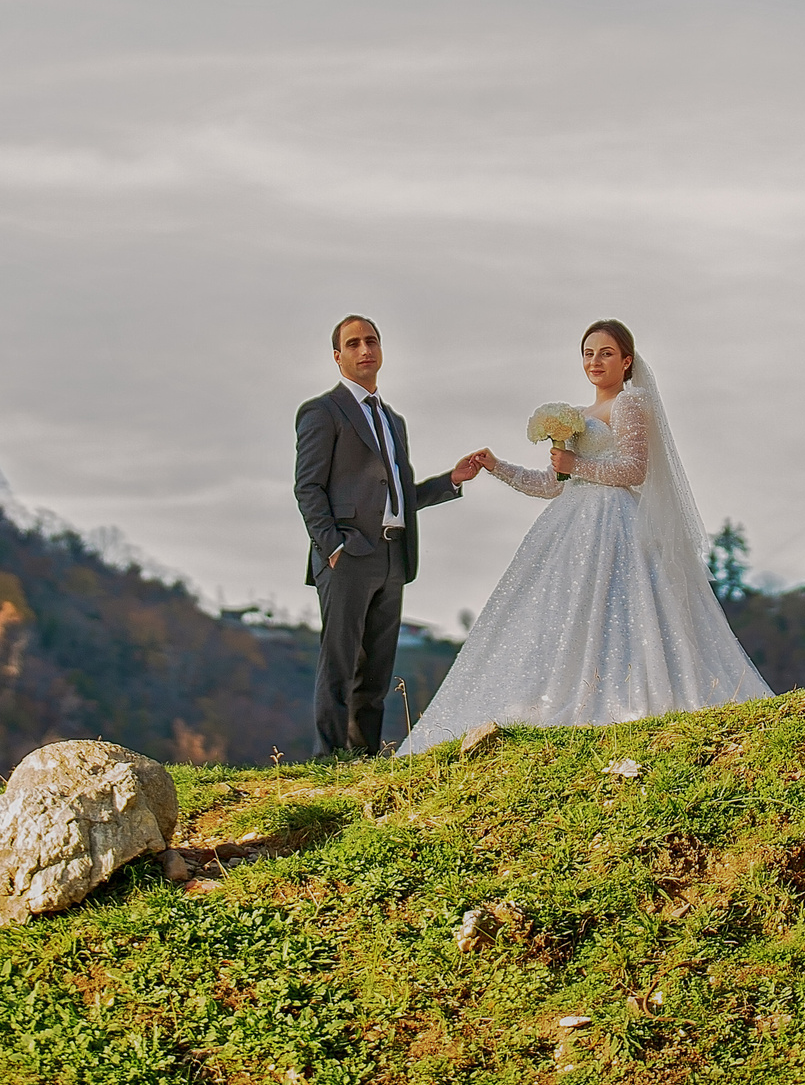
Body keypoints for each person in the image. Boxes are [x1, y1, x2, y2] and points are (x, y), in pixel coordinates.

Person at [399, 320, 770, 754]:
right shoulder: (576, 416)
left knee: (622, 612)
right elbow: (552, 484)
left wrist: (577, 465)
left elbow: (634, 470)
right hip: (571, 525)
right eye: (588, 353)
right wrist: (496, 467)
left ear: (626, 361)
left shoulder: (629, 404)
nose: (595, 361)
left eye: (606, 353)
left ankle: (616, 692)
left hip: (615, 522)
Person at [295, 315, 479, 757]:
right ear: (337, 356)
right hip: (348, 555)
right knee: (339, 663)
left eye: (371, 341)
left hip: (393, 555)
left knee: (377, 669)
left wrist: (450, 481)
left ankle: (363, 756)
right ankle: (329, 757)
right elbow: (308, 487)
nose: (365, 350)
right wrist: (333, 546)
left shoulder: (393, 420)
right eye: (353, 343)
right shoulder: (322, 411)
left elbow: (399, 494)